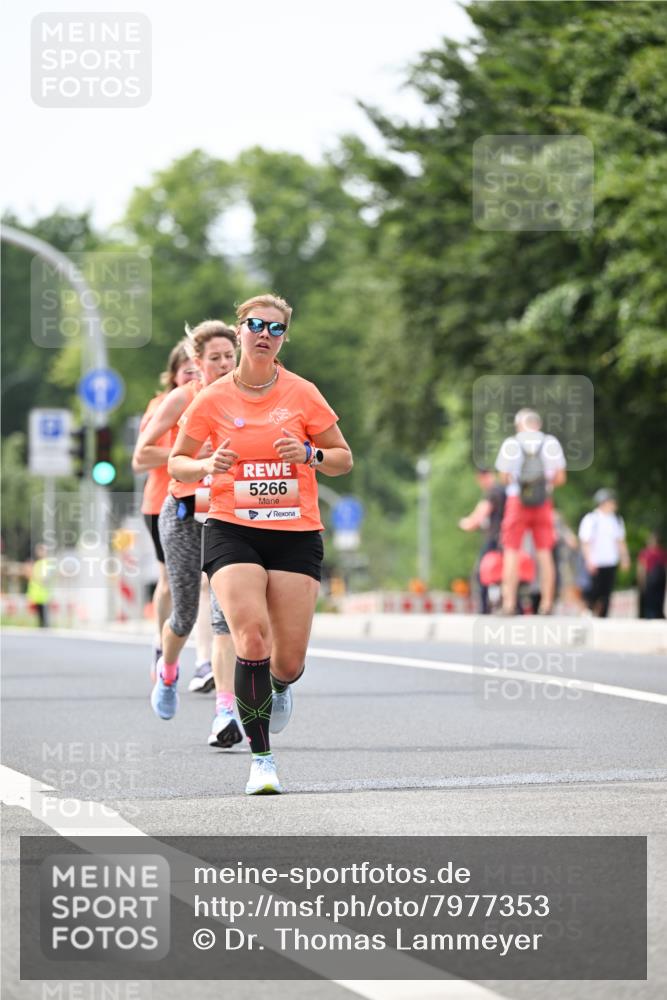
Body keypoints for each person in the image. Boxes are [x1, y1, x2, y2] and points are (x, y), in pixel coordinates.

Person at [169, 294, 353, 795]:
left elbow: (343, 458)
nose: (264, 334)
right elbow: (177, 462)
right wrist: (206, 466)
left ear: (284, 337)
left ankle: (280, 684)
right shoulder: (212, 398)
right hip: (232, 527)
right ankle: (262, 760)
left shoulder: (302, 393)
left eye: (275, 328)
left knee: (287, 661)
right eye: (255, 325)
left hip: (295, 533)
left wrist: (310, 454)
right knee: (251, 638)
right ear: (240, 331)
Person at [134, 321, 241, 748]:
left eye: (229, 356)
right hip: (182, 512)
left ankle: (225, 712)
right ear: (197, 362)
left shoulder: (248, 395)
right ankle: (168, 672)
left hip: (230, 512)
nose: (223, 364)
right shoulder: (183, 397)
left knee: (223, 614)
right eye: (214, 358)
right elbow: (142, 453)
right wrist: (199, 457)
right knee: (183, 616)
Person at [134, 340, 200, 677]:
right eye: (186, 370)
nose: (193, 375)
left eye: (197, 368)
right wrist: (186, 454)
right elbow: (141, 458)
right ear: (173, 374)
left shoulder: (217, 399)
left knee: (208, 581)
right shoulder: (162, 405)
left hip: (204, 498)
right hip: (162, 501)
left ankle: (205, 662)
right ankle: (162, 647)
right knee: (169, 580)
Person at [495, 408, 566, 615]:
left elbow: (503, 477)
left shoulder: (511, 444)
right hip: (543, 502)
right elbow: (560, 478)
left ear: (519, 425)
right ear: (538, 424)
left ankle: (509, 604)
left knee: (512, 551)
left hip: (517, 501)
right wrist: (542, 484)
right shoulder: (551, 443)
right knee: (544, 552)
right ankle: (547, 604)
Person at [458, 468, 505, 613]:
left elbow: (479, 515)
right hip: (507, 540)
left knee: (482, 573)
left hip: (495, 540)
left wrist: (465, 523)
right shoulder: (503, 490)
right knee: (503, 573)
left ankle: (484, 609)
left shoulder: (493, 492)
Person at [578, 488, 631, 618]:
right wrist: (589, 560)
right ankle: (589, 611)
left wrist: (625, 558)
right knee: (592, 590)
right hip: (596, 561)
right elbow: (585, 542)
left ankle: (604, 616)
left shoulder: (616, 520)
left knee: (606, 591)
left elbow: (620, 541)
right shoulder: (591, 519)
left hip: (610, 561)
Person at [637, 533, 667, 619]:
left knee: (653, 597)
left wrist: (641, 581)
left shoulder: (659, 553)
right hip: (655, 578)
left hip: (653, 578)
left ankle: (651, 613)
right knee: (655, 598)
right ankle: (654, 613)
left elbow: (641, 568)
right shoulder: (661, 553)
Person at [25, 543, 55, 627]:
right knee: (40, 620)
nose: (38, 552)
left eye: (41, 550)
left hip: (44, 595)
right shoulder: (37, 564)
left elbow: (46, 578)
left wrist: (36, 577)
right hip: (37, 596)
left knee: (45, 620)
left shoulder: (48, 563)